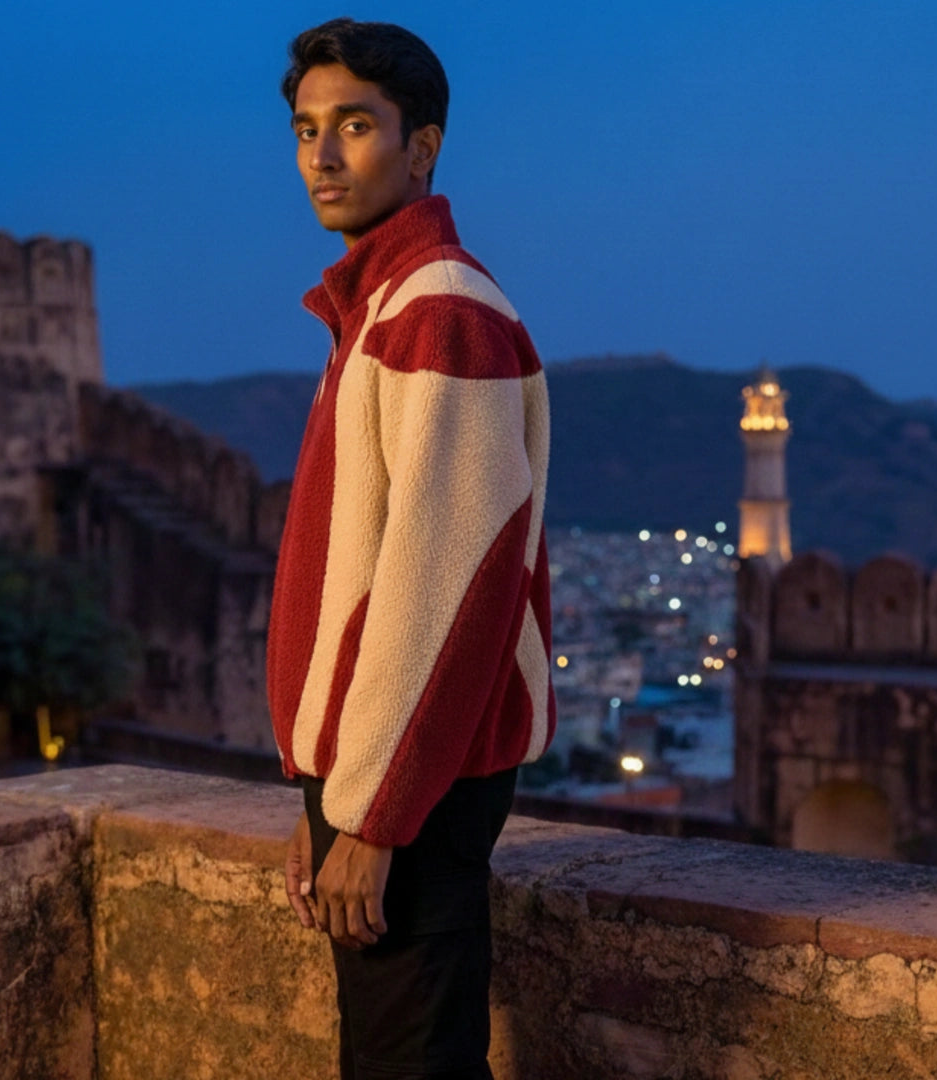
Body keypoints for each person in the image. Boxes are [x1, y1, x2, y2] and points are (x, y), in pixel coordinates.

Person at [267, 17, 555, 1079]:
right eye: (307, 130)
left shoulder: (440, 311)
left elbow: (449, 584)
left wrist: (375, 819)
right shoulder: (377, 308)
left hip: (418, 787)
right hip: (379, 777)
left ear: (421, 146)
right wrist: (325, 797)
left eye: (355, 125)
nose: (323, 156)